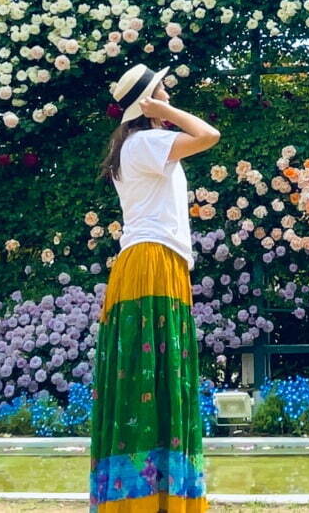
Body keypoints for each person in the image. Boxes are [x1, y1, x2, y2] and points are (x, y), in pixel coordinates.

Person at [88, 61, 221, 513]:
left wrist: (158, 106)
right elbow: (208, 136)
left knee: (153, 378)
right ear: (147, 101)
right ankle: (150, 502)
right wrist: (167, 108)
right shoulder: (146, 142)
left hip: (150, 263)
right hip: (152, 264)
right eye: (162, 89)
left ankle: (149, 498)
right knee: (157, 378)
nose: (168, 93)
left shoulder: (139, 145)